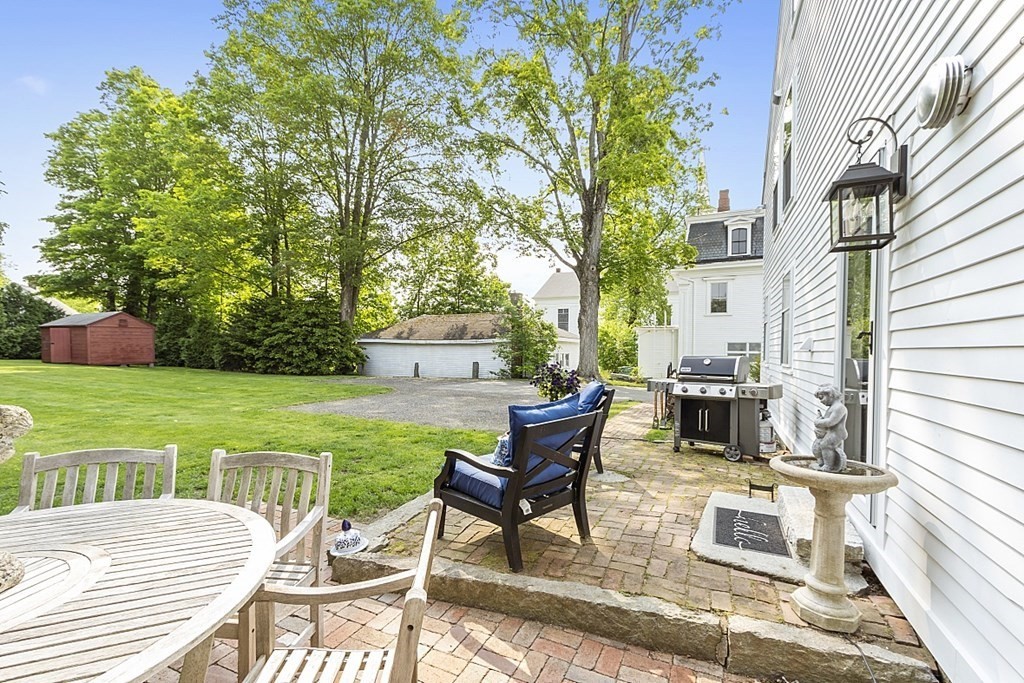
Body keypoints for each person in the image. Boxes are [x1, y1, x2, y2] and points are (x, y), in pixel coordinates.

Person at [811, 385, 847, 472]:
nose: (821, 401)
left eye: (821, 398)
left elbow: (831, 422)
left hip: (837, 433)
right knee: (819, 445)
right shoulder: (832, 407)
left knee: (825, 445)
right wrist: (820, 418)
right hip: (831, 431)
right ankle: (823, 462)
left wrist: (818, 422)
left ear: (830, 395)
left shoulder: (839, 408)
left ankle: (828, 466)